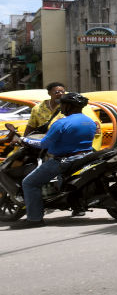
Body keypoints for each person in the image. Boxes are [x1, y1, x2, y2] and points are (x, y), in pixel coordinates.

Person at [11, 92, 98, 228]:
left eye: (62, 104)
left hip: (64, 161)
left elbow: (44, 144)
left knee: (29, 183)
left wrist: (24, 139)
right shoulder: (90, 122)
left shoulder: (61, 123)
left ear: (69, 106)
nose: (60, 107)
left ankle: (34, 219)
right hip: (85, 157)